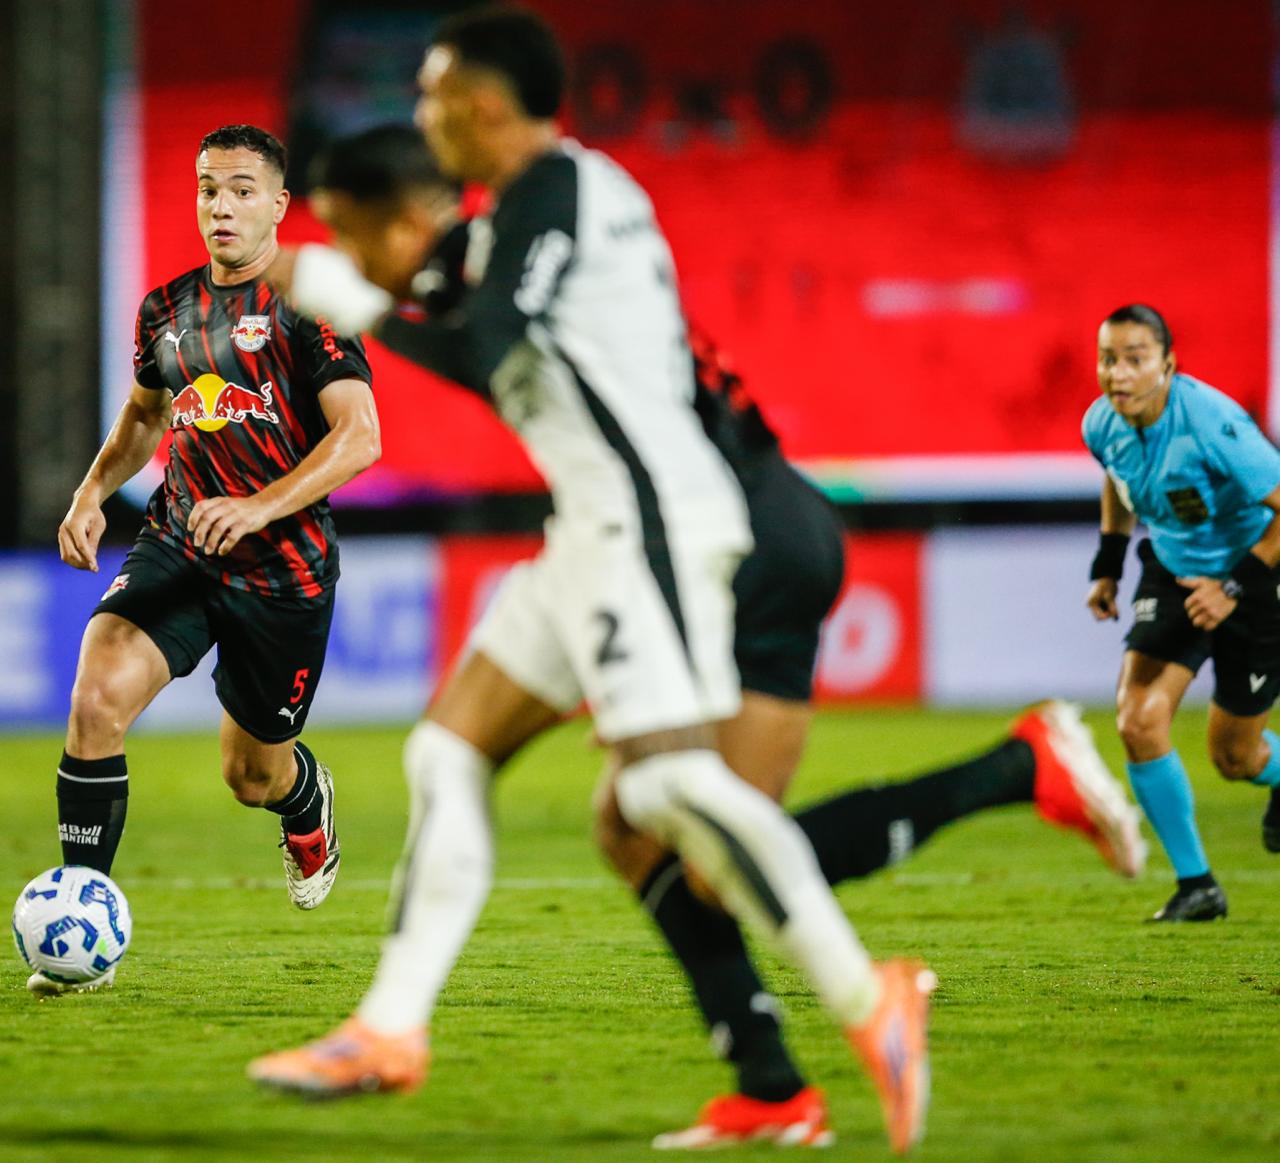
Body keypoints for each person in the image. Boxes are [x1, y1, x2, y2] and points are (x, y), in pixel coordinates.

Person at [248, 19, 1140, 1146]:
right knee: (453, 749)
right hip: (599, 522)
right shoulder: (526, 213)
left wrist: (350, 293)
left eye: (431, 100)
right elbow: (469, 292)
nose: (421, 121)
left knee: (665, 800)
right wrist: (332, 267)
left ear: (477, 106)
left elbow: (487, 343)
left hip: (651, 520)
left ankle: (869, 996)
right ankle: (388, 1028)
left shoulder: (559, 188)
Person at [45, 124, 379, 995]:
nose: (220, 205)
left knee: (249, 774)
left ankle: (301, 795)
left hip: (285, 573)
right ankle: (83, 930)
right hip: (180, 544)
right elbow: (146, 419)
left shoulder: (314, 306)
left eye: (239, 189)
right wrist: (89, 493)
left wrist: (261, 505)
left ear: (278, 203)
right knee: (96, 694)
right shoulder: (167, 308)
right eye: (205, 188)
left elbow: (361, 437)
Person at [1084, 302, 1280, 922]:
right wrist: (1109, 562)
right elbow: (1118, 481)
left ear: (1168, 364)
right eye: (1108, 359)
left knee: (1235, 759)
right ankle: (1197, 885)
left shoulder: (1215, 423)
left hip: (1253, 574)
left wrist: (1233, 588)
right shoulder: (1101, 423)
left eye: (1135, 359)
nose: (1118, 374)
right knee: (1138, 719)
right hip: (1171, 568)